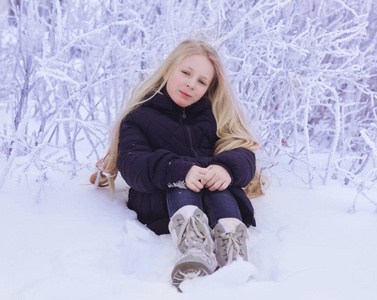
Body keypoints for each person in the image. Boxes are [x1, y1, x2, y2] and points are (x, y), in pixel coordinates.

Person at [89, 40, 265, 288]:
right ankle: (193, 249)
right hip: (163, 204)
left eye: (202, 82)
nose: (191, 84)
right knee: (181, 180)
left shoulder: (215, 115)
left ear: (208, 89)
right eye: (186, 73)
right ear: (167, 70)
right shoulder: (139, 118)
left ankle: (233, 247)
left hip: (216, 202)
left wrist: (225, 168)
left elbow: (242, 152)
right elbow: (132, 163)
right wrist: (178, 170)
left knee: (219, 184)